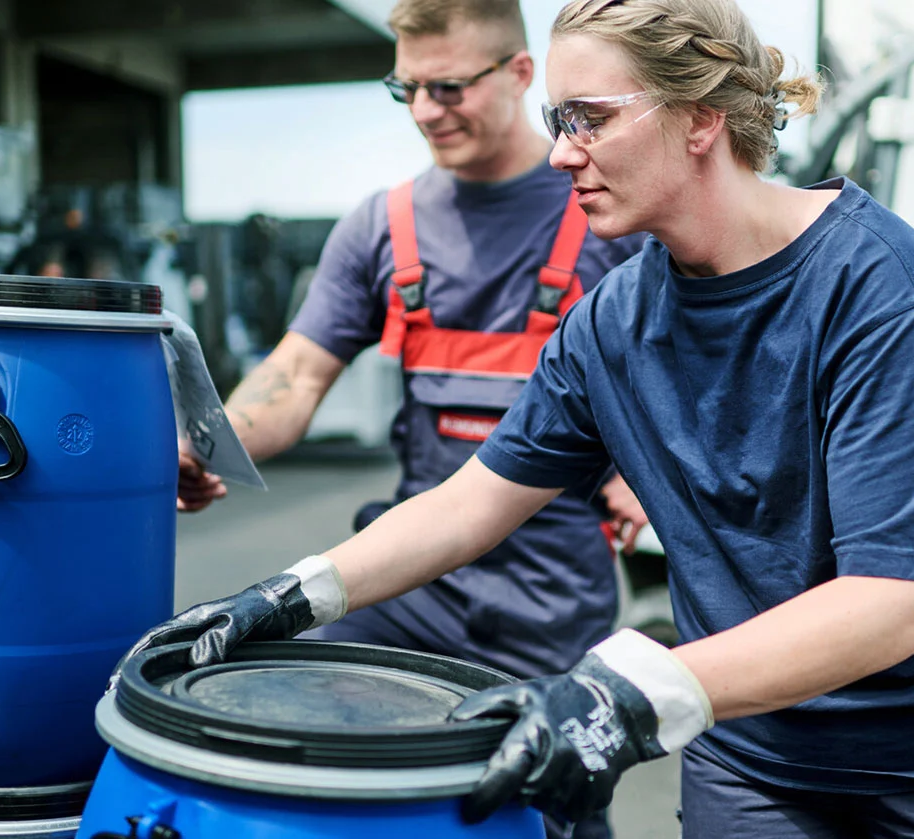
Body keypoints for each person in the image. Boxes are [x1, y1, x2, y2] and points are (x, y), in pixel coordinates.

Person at [125, 0, 914, 836]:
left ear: (698, 119)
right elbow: (471, 505)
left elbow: (890, 603)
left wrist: (627, 692)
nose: (560, 152)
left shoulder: (876, 287)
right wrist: (287, 596)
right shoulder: (614, 320)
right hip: (759, 749)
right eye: (558, 119)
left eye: (590, 118)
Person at [173, 1, 644, 836]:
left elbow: (675, 386)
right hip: (407, 580)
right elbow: (293, 373)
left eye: (451, 86)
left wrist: (646, 478)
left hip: (549, 599)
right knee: (289, 729)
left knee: (547, 802)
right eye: (408, 88)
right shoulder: (379, 227)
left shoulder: (607, 214)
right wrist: (209, 443)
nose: (427, 110)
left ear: (521, 74)